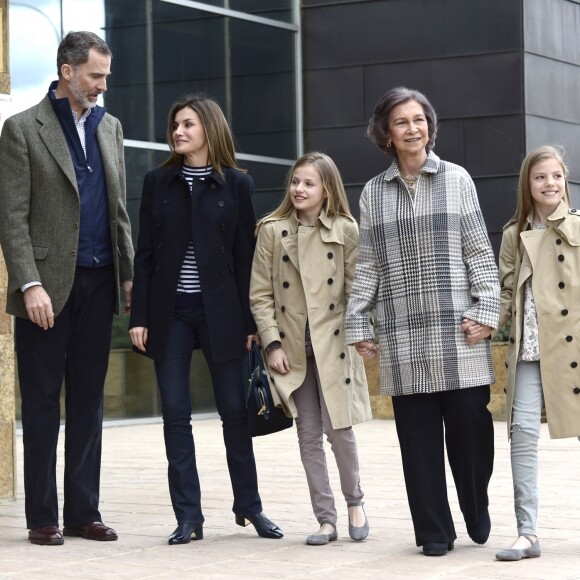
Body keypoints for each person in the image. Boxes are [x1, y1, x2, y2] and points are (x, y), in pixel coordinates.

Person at [344, 87, 500, 556]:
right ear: (387, 135)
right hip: (403, 335)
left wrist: (487, 310)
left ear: (429, 125)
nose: (414, 129)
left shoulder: (457, 179)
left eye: (419, 119)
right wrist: (358, 323)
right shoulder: (373, 192)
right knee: (417, 441)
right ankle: (433, 531)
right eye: (402, 122)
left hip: (459, 332)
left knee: (472, 430)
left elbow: (478, 250)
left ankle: (475, 505)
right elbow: (368, 263)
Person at [128, 93, 282, 545]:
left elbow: (245, 257)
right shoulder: (158, 182)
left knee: (235, 414)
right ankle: (188, 516)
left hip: (222, 314)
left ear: (209, 129)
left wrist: (254, 323)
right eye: (175, 124)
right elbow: (145, 254)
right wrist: (140, 316)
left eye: (188, 124)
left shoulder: (237, 184)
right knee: (175, 415)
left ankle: (249, 507)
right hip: (169, 312)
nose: (178, 132)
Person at [0, 31, 134, 546]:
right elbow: (11, 216)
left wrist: (127, 274)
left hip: (101, 282)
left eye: (105, 76)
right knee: (40, 403)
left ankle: (83, 511)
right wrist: (29, 283)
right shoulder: (22, 130)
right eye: (95, 75)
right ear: (67, 71)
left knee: (88, 402)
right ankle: (42, 518)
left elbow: (118, 208)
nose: (102, 85)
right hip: (47, 288)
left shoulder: (111, 127)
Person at [250, 152, 372, 546]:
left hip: (334, 345)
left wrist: (362, 334)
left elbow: (357, 293)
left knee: (340, 431)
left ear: (326, 189)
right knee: (307, 434)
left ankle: (355, 502)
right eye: (295, 182)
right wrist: (271, 343)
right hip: (292, 349)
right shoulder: (271, 230)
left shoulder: (347, 231)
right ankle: (326, 519)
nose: (299, 190)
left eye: (309, 183)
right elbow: (261, 295)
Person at [494, 146, 580, 561]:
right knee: (522, 435)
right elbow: (506, 293)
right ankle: (527, 533)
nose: (549, 183)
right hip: (528, 348)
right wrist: (483, 323)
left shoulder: (579, 228)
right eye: (540, 177)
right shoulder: (514, 234)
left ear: (566, 181)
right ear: (527, 184)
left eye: (556, 176)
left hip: (573, 348)